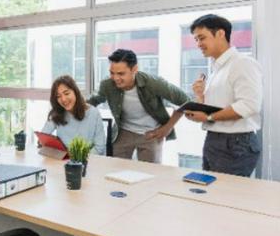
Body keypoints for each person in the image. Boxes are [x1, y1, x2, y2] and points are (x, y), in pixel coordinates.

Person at [184, 14, 263, 177]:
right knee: (210, 189)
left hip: (235, 142)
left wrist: (208, 117)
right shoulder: (217, 68)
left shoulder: (242, 63)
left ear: (220, 34)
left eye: (201, 38)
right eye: (196, 40)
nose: (198, 44)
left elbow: (249, 106)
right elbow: (214, 107)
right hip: (215, 139)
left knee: (225, 191)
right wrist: (200, 97)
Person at [88, 49, 188, 163]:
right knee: (116, 168)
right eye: (112, 73)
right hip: (123, 131)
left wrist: (167, 127)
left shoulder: (153, 83)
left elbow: (185, 101)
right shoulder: (107, 84)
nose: (115, 78)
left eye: (121, 73)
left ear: (134, 69)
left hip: (151, 133)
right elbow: (92, 101)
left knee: (149, 171)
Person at [42, 75, 106, 155]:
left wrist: (78, 158)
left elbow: (99, 147)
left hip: (88, 159)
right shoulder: (57, 112)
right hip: (64, 159)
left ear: (75, 91)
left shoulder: (93, 113)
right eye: (58, 96)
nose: (63, 99)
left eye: (66, 93)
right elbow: (43, 137)